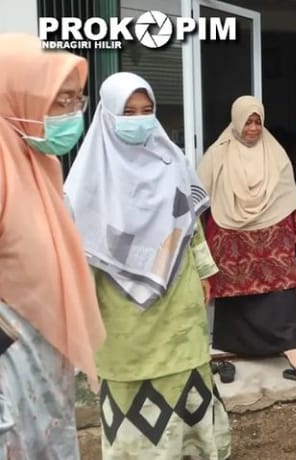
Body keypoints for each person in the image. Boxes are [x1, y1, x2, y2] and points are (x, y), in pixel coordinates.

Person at [64, 72, 231, 459]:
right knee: (133, 390)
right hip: (121, 310)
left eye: (147, 110)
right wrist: (81, 310)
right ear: (108, 115)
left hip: (179, 297)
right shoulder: (88, 179)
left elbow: (189, 223)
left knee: (187, 380)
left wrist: (204, 270)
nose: (139, 120)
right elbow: (81, 248)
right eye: (129, 112)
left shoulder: (172, 160)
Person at [0, 34, 106, 458]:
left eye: (77, 100)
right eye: (61, 100)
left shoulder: (40, 163)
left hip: (41, 357)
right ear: (20, 94)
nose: (72, 113)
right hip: (8, 354)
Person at [197, 95, 296, 401]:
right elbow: (199, 194)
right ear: (236, 122)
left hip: (273, 234)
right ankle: (237, 345)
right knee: (237, 293)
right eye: (248, 122)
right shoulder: (218, 153)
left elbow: (289, 194)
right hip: (232, 233)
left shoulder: (275, 152)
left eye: (258, 122)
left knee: (279, 293)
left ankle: (284, 345)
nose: (253, 128)